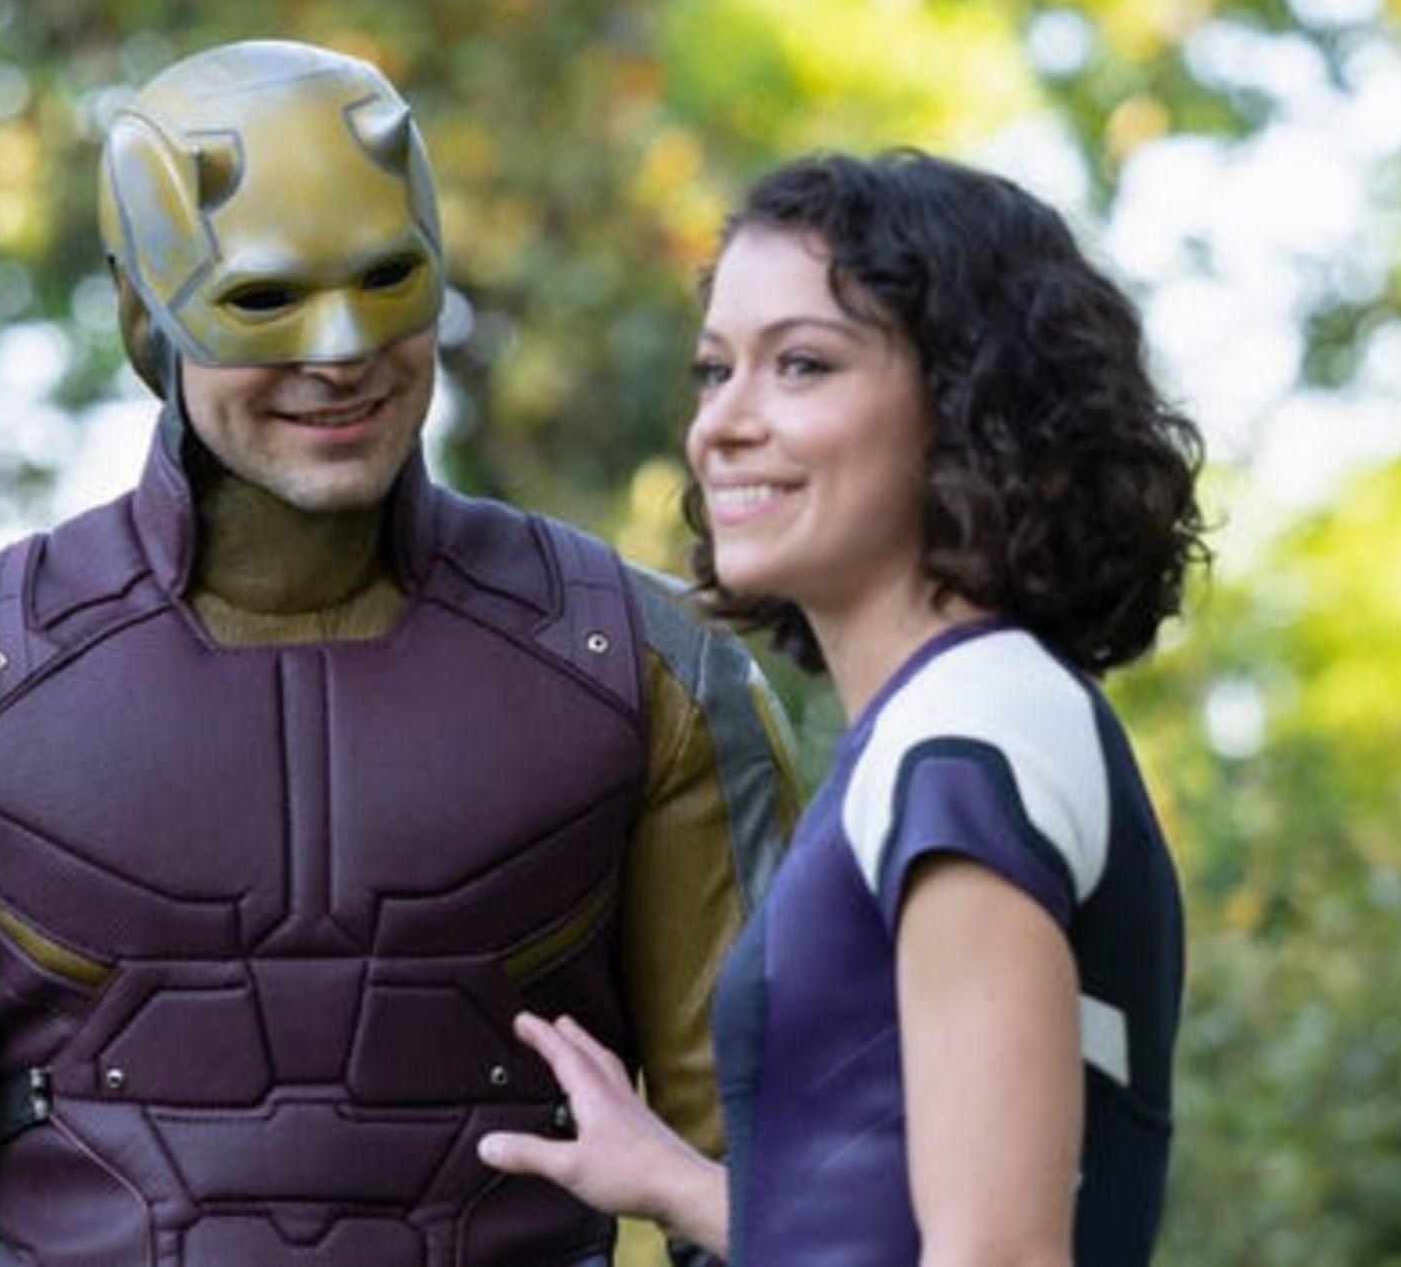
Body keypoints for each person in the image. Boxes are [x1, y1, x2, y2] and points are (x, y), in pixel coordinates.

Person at [0, 39, 797, 1267]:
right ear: (146, 313)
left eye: (385, 279)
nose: (340, 354)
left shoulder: (651, 672)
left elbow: (786, 1190)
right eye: (265, 300)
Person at [477, 149, 1208, 1264]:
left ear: (973, 406)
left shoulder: (969, 737)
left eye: (802, 364)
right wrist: (676, 1183)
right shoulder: (954, 724)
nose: (722, 423)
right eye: (714, 370)